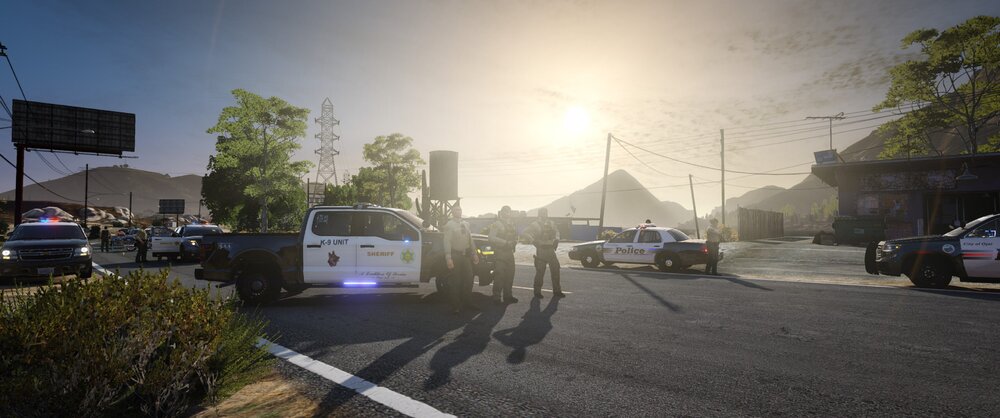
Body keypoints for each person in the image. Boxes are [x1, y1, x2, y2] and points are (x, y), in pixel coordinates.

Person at [443, 206, 479, 314]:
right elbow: (447, 241)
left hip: (466, 256)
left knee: (468, 280)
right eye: (456, 210)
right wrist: (448, 257)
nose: (458, 211)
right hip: (455, 256)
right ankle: (456, 306)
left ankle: (467, 303)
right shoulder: (449, 225)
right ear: (452, 212)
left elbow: (470, 239)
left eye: (460, 210)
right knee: (455, 282)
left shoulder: (466, 224)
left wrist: (474, 253)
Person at [522, 208, 564, 298]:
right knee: (540, 272)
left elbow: (557, 231)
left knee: (556, 270)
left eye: (545, 213)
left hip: (551, 250)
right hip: (541, 250)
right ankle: (537, 292)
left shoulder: (551, 223)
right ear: (539, 214)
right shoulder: (535, 224)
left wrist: (557, 239)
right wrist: (533, 240)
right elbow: (525, 233)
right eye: (542, 213)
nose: (544, 214)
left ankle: (557, 291)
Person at [488, 205, 518, 304]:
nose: (507, 213)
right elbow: (491, 238)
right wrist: (504, 242)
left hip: (509, 252)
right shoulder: (496, 224)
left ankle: (508, 296)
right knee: (499, 275)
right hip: (500, 252)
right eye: (505, 211)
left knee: (510, 274)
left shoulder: (511, 224)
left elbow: (515, 236)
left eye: (508, 211)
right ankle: (496, 297)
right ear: (501, 213)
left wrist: (514, 243)